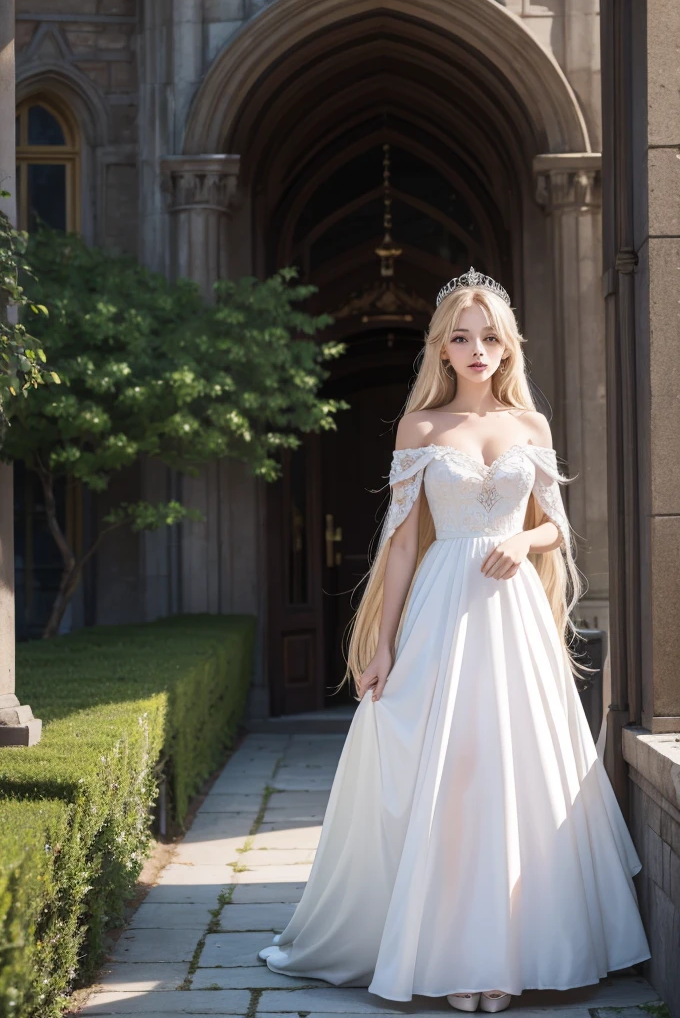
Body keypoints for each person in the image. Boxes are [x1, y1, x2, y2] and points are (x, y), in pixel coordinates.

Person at [257, 267, 650, 1011]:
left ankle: (507, 959)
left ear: (508, 348)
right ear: (441, 350)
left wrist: (524, 539)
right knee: (455, 779)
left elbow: (556, 526)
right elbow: (402, 546)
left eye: (490, 336)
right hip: (442, 608)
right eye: (461, 337)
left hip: (512, 622)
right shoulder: (422, 429)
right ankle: (452, 958)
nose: (477, 349)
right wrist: (383, 645)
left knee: (514, 776)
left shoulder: (531, 427)